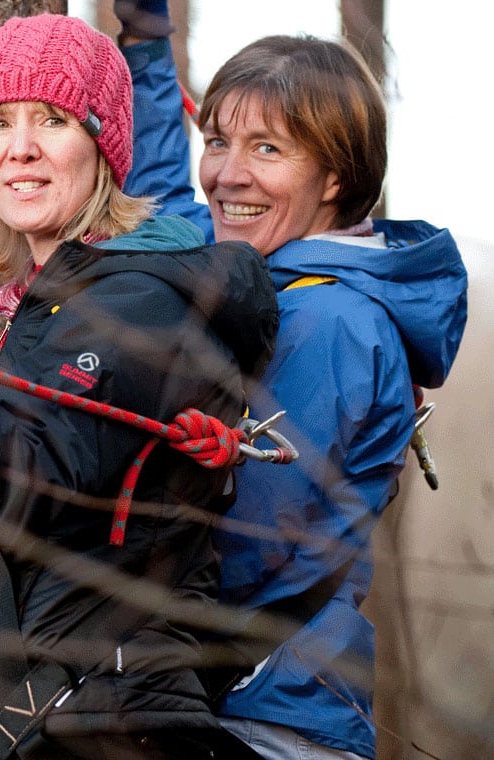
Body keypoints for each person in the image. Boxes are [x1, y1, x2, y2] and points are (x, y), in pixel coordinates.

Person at [0, 13, 280, 760]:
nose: (21, 147)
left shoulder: (137, 301)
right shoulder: (57, 303)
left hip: (98, 730)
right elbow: (88, 516)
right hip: (56, 721)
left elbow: (28, 478)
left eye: (54, 119)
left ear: (103, 147)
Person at [113, 3, 469, 759]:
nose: (227, 175)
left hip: (267, 722)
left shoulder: (328, 323)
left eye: (267, 149)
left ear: (335, 174)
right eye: (217, 142)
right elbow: (168, 219)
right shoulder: (271, 277)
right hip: (241, 705)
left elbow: (248, 544)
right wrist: (149, 51)